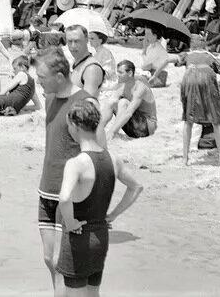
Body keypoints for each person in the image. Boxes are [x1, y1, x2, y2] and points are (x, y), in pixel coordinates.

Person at [56, 100, 143, 296]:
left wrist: (70, 223)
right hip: (100, 238)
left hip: (78, 240)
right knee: (93, 293)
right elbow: (136, 187)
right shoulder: (113, 159)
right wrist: (112, 215)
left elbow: (64, 198)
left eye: (69, 124)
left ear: (75, 126)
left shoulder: (77, 163)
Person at [34, 48, 88, 294]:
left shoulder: (84, 102)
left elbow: (96, 151)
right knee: (49, 259)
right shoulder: (49, 98)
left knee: (62, 261)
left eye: (42, 77)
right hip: (46, 187)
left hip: (71, 193)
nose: (38, 81)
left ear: (59, 75)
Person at [178, 37, 220, 165]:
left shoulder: (187, 55)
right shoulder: (210, 56)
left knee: (188, 121)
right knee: (217, 121)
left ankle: (185, 158)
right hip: (207, 85)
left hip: (189, 84)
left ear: (191, 46)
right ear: (204, 47)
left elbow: (172, 60)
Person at [106, 61, 157, 139]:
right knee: (113, 102)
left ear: (130, 73)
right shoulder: (124, 87)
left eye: (120, 72)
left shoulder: (140, 87)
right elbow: (110, 104)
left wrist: (112, 131)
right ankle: (99, 130)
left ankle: (113, 132)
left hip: (147, 128)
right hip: (133, 128)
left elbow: (129, 112)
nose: (117, 75)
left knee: (123, 103)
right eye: (117, 72)